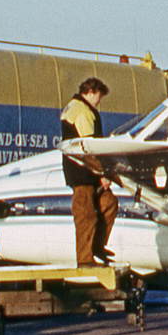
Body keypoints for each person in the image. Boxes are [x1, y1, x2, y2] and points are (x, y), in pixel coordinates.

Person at [60, 78, 117, 268]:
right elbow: (89, 147)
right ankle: (85, 259)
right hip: (83, 174)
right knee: (85, 215)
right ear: (90, 92)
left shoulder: (73, 106)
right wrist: (102, 173)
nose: (99, 101)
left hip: (85, 173)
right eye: (99, 97)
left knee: (109, 203)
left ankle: (97, 246)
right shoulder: (83, 112)